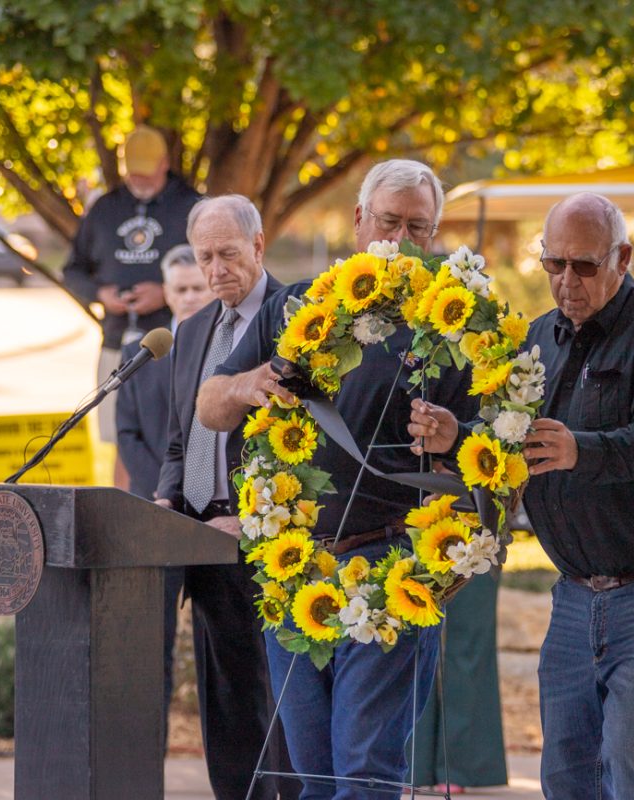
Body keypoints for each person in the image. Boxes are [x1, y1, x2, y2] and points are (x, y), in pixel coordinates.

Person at [408, 192, 634, 799]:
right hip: (579, 589)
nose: (565, 281)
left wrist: (581, 449)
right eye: (553, 264)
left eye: (583, 265)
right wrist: (457, 437)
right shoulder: (537, 341)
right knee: (566, 770)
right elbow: (509, 443)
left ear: (623, 258)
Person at [195, 159, 477, 799]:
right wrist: (250, 383)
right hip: (294, 569)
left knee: (364, 776)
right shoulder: (299, 305)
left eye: (418, 227)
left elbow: (497, 456)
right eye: (388, 221)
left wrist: (452, 436)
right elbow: (210, 405)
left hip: (393, 568)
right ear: (357, 220)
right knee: (313, 779)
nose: (401, 240)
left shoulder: (453, 324)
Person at [154, 195, 297, 800]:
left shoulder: (297, 319)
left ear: (259, 246)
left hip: (269, 545)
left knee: (282, 710)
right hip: (199, 544)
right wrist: (164, 507)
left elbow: (307, 446)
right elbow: (177, 443)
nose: (215, 271)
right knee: (226, 705)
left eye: (228, 255)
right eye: (205, 257)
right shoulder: (190, 334)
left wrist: (256, 516)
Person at [115, 243, 215, 725]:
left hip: (216, 520)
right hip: (153, 512)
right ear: (167, 293)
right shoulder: (141, 354)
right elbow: (127, 432)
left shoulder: (227, 345)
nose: (192, 296)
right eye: (182, 289)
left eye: (199, 287)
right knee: (150, 645)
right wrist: (163, 490)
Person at [63, 125, 201, 446]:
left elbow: (211, 274)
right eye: (133, 174)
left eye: (146, 174)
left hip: (174, 346)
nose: (138, 181)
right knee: (120, 439)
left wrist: (165, 293)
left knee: (173, 440)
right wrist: (100, 294)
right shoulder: (105, 209)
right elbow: (72, 270)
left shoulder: (190, 207)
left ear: (164, 163)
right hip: (116, 342)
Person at [409, 569, 508, 792]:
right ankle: (411, 762)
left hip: (480, 539)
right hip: (408, 534)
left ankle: (459, 765)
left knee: (470, 642)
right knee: (411, 630)